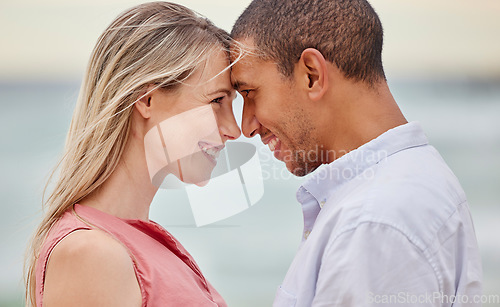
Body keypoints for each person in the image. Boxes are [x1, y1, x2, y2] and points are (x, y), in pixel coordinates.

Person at [230, 0, 482, 306]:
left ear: (312, 74)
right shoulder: (405, 184)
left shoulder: (375, 221)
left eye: (249, 93)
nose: (247, 126)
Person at [24, 2, 241, 306]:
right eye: (217, 100)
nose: (234, 129)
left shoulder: (139, 244)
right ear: (147, 99)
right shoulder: (90, 254)